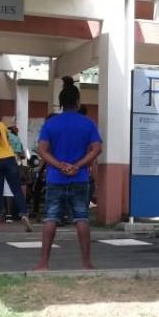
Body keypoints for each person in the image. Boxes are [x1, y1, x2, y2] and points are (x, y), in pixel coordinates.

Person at [34, 77, 102, 271]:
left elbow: (42, 150)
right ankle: (86, 263)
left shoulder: (51, 124)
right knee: (81, 218)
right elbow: (96, 149)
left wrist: (60, 165)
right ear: (78, 102)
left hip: (56, 177)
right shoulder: (88, 124)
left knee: (50, 218)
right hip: (79, 177)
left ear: (61, 103)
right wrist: (77, 166)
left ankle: (44, 263)